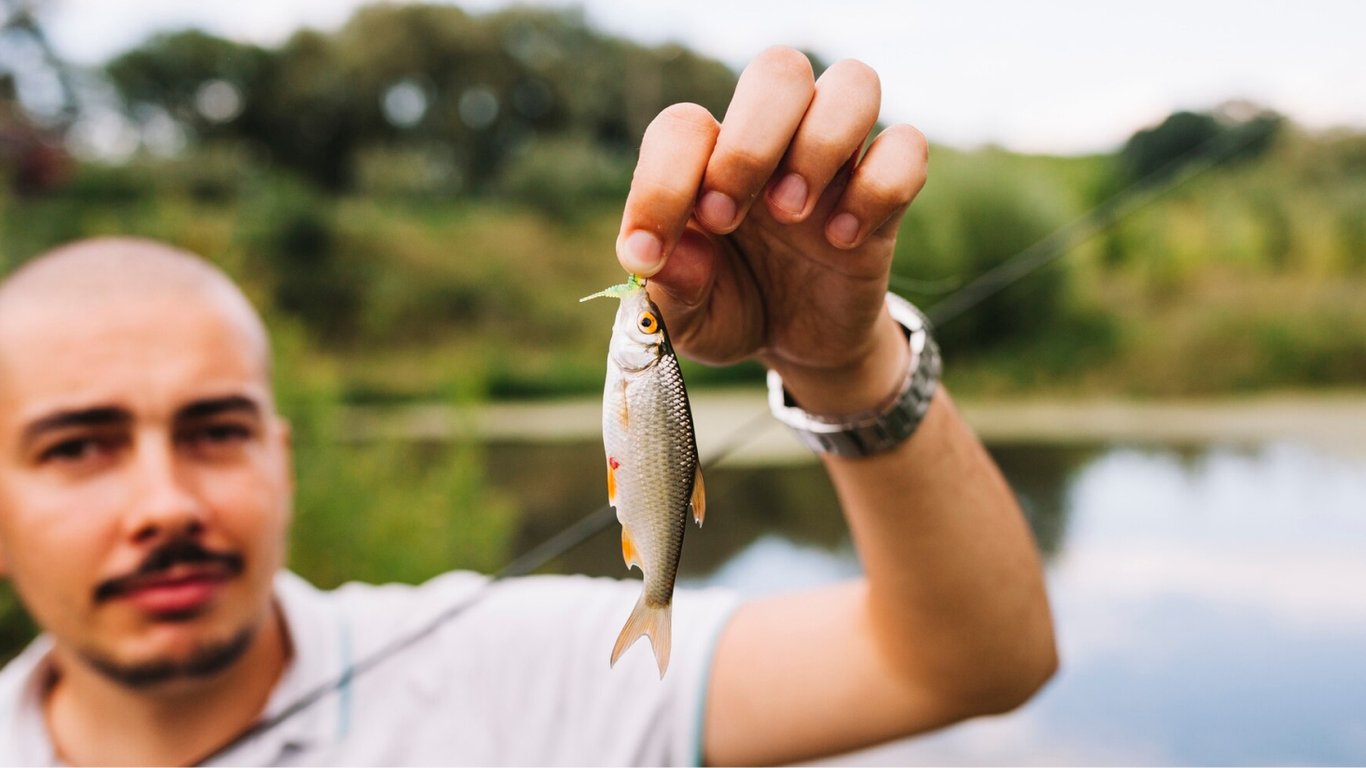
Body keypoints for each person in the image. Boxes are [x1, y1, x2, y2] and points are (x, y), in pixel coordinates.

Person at [0, 46, 1056, 765]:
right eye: (78, 447)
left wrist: (844, 365)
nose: (164, 501)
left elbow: (972, 662)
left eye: (215, 430)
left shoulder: (513, 675)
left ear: (280, 456)